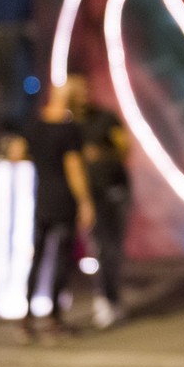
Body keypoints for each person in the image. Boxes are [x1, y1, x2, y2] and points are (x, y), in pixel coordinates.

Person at [12, 82, 95, 344]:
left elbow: (17, 153)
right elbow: (73, 168)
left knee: (37, 258)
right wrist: (84, 201)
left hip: (42, 198)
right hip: (63, 200)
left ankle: (26, 317)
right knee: (61, 257)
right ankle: (54, 318)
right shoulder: (68, 129)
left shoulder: (36, 125)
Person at [67, 74, 131, 329]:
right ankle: (105, 298)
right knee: (100, 247)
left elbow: (124, 147)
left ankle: (112, 297)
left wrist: (103, 153)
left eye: (85, 90)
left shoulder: (104, 117)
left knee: (114, 248)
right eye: (77, 91)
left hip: (115, 188)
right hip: (90, 195)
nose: (83, 95)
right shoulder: (68, 124)